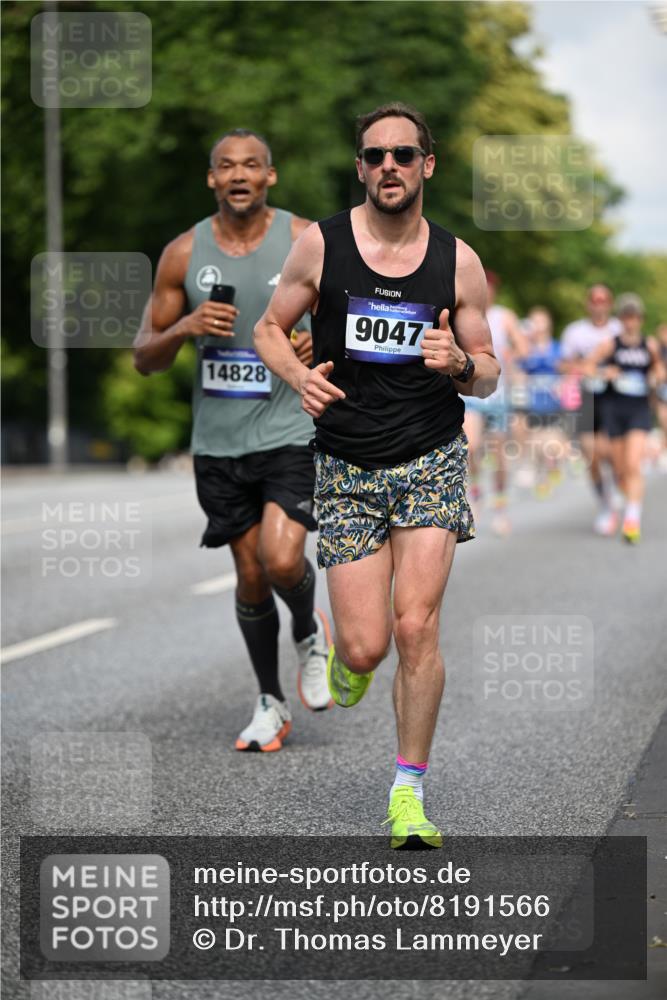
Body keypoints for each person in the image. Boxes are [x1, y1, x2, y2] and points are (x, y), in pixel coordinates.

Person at [254, 103, 499, 847]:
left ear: (428, 164)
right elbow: (268, 327)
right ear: (359, 168)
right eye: (373, 155)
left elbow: (488, 371)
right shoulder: (319, 246)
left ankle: (407, 795)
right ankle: (352, 660)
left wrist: (459, 363)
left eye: (402, 154)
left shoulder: (456, 261)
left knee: (415, 625)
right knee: (364, 648)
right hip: (346, 462)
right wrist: (299, 377)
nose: (387, 166)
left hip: (429, 453)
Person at [133, 128, 333, 754]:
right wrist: (187, 326)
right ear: (212, 180)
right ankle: (269, 702)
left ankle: (308, 629)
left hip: (289, 429)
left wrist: (316, 342)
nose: (239, 174)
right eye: (227, 166)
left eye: (252, 164)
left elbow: (349, 319)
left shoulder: (305, 238)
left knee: (280, 560)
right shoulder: (182, 253)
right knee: (249, 575)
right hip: (219, 442)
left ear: (270, 176)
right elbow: (144, 357)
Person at [586, 294, 665, 543]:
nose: (631, 322)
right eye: (626, 317)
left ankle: (632, 519)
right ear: (620, 319)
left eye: (635, 318)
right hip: (614, 409)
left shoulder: (648, 344)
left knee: (633, 464)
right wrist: (604, 372)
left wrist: (655, 377)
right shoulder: (612, 344)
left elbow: (659, 370)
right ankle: (623, 499)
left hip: (639, 410)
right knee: (620, 468)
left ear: (640, 319)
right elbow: (588, 367)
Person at [462, 271, 527, 534]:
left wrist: (514, 353)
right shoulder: (463, 314)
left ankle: (500, 506)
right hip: (470, 395)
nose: (487, 292)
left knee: (499, 455)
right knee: (471, 447)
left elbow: (524, 348)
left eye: (490, 288)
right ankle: (476, 493)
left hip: (498, 397)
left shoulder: (504, 317)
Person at [559, 285, 622, 534]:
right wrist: (582, 367)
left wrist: (610, 372)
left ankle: (616, 489)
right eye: (595, 300)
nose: (599, 304)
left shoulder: (618, 329)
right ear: (588, 304)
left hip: (614, 398)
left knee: (610, 453)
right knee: (591, 456)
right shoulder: (575, 332)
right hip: (586, 397)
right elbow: (563, 364)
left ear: (610, 303)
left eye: (603, 300)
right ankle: (605, 505)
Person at [518, 306, 567, 498]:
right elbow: (518, 372)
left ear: (549, 324)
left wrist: (563, 386)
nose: (537, 325)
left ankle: (552, 466)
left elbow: (567, 372)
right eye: (533, 321)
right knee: (537, 444)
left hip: (553, 405)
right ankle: (542, 475)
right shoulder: (526, 350)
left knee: (552, 445)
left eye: (541, 321)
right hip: (533, 405)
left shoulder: (557, 348)